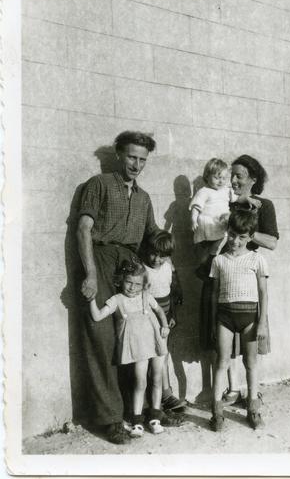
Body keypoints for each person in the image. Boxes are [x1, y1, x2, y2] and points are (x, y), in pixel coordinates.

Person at [77, 130, 160, 445]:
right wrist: (90, 274)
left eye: (142, 159)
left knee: (133, 339)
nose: (137, 164)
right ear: (119, 155)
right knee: (101, 339)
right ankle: (109, 418)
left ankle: (136, 411)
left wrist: (161, 266)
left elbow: (153, 235)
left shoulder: (144, 197)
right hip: (100, 259)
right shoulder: (98, 185)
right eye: (131, 157)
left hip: (131, 266)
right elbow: (84, 229)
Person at [198, 155, 279, 404]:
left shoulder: (263, 205)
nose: (232, 180)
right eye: (230, 175)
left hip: (245, 276)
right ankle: (232, 389)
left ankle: (248, 391)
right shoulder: (224, 200)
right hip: (219, 270)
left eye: (239, 176)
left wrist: (245, 233)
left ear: (253, 179)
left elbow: (272, 242)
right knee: (222, 338)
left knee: (249, 338)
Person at [90, 259, 170, 438]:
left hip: (156, 340)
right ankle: (137, 421)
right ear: (120, 280)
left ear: (143, 285)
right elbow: (96, 316)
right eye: (128, 282)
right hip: (138, 348)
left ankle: (155, 418)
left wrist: (165, 326)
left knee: (157, 378)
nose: (132, 288)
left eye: (137, 284)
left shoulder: (146, 297)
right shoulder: (117, 300)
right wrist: (91, 298)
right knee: (140, 382)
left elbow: (159, 311)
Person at [209, 210, 269, 431]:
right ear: (228, 232)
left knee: (250, 363)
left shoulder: (257, 259)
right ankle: (216, 413)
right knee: (221, 362)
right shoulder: (219, 261)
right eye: (232, 235)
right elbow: (215, 294)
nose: (235, 241)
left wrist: (262, 322)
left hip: (250, 318)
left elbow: (263, 293)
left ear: (250, 237)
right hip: (225, 317)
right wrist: (214, 321)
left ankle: (253, 409)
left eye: (242, 237)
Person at [190, 158, 260, 271]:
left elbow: (237, 199)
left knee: (225, 237)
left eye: (223, 178)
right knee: (204, 250)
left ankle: (213, 255)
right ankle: (206, 263)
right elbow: (196, 206)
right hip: (208, 223)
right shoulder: (204, 191)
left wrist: (248, 200)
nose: (220, 181)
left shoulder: (226, 190)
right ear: (207, 176)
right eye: (217, 178)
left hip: (221, 223)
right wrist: (193, 220)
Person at [143, 231, 185, 411]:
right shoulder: (143, 270)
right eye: (153, 254)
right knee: (149, 357)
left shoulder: (168, 268)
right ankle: (152, 399)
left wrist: (172, 316)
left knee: (163, 354)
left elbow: (172, 293)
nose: (156, 259)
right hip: (148, 319)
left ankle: (165, 394)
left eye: (162, 256)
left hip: (165, 320)